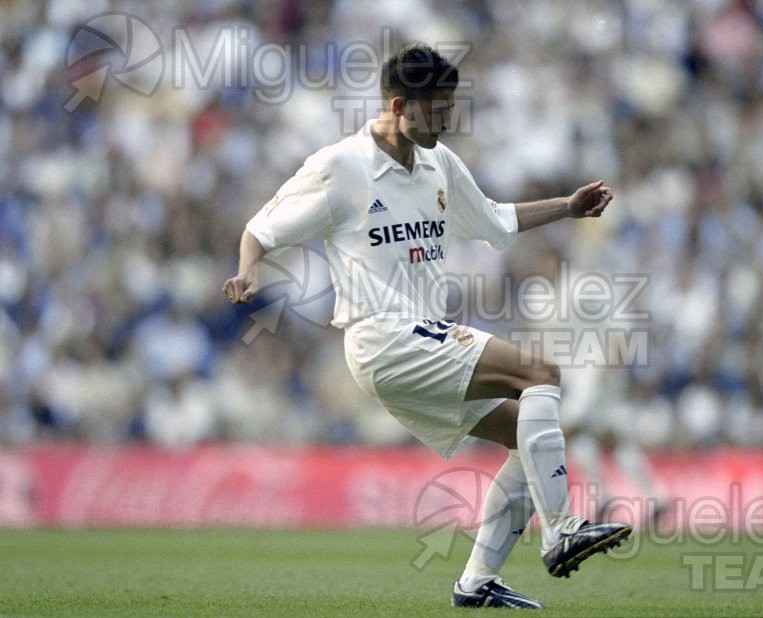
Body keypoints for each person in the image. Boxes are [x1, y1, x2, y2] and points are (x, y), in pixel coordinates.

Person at [223, 44, 631, 610]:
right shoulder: (341, 166)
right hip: (381, 336)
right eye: (436, 110)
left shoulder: (438, 162)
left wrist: (569, 205)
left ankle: (475, 583)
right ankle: (561, 528)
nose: (446, 121)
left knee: (525, 437)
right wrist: (246, 274)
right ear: (399, 104)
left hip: (418, 337)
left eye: (450, 108)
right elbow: (261, 229)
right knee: (540, 373)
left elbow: (494, 221)